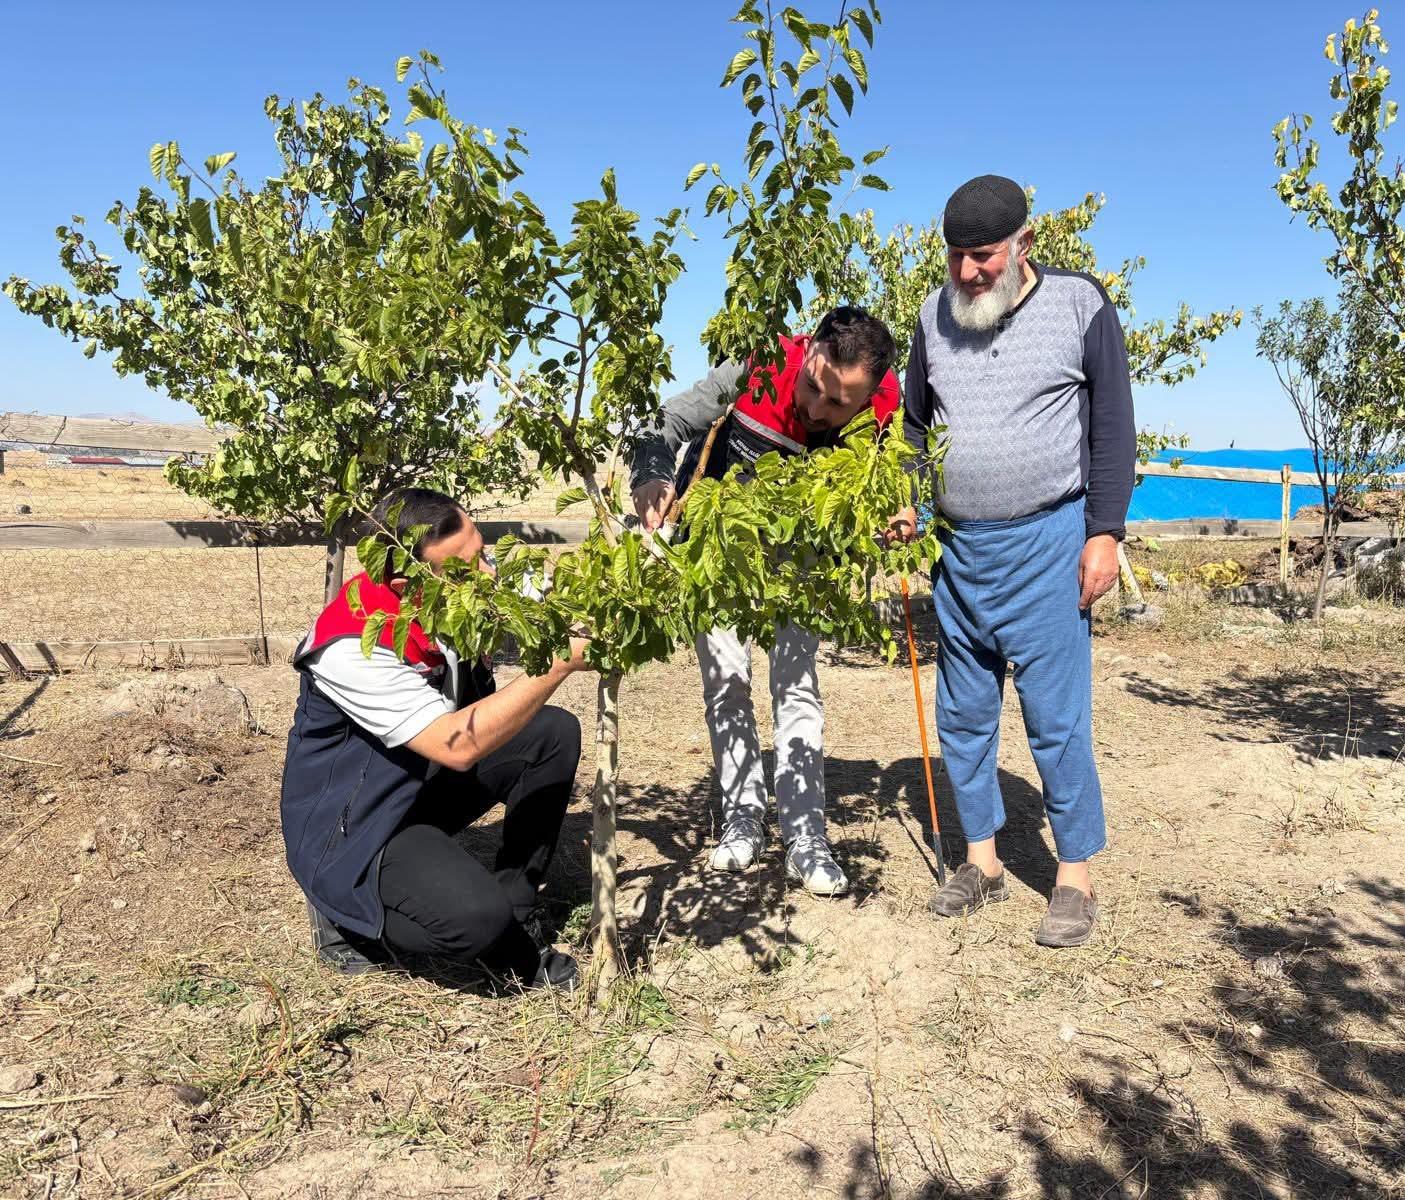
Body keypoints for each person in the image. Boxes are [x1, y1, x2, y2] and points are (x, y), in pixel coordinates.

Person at [889, 174, 1136, 947]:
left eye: (983, 256)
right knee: (963, 719)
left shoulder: (1080, 304)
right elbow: (915, 428)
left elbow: (1113, 425)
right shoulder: (932, 318)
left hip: (1049, 545)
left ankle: (1074, 877)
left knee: (1056, 723)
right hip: (958, 553)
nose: (967, 273)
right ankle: (983, 862)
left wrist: (1105, 531)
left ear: (1024, 244)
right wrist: (909, 501)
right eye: (956, 257)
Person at [630, 306, 901, 895]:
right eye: (814, 388)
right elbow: (668, 420)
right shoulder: (759, 360)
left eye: (838, 405)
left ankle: (806, 832)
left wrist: (898, 506)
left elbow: (898, 474)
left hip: (798, 569)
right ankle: (742, 816)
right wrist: (651, 473)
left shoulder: (884, 406)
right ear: (808, 353)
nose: (817, 409)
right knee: (726, 683)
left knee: (797, 684)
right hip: (718, 553)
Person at [280, 487, 589, 988]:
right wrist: (561, 663)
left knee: (550, 734)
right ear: (406, 581)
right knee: (476, 922)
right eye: (468, 570)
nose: (488, 573)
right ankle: (345, 913)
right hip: (355, 827)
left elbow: (552, 597)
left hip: (415, 784)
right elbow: (457, 746)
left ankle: (518, 909)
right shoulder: (352, 646)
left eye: (483, 551)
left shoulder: (456, 595)